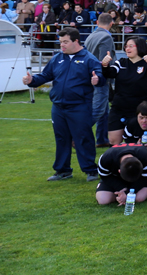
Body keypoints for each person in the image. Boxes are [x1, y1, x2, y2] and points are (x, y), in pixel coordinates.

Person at [25, 26, 103, 182]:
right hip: (58, 107)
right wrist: (32, 80)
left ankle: (91, 170)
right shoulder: (57, 58)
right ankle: (62, 171)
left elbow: (100, 76)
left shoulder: (89, 59)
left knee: (83, 138)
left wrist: (97, 79)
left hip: (80, 106)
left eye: (65, 42)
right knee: (61, 138)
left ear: (76, 41)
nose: (62, 45)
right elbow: (46, 75)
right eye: (60, 42)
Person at [83, 12, 114, 147]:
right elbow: (104, 60)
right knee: (98, 109)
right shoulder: (106, 37)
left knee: (104, 110)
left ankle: (102, 139)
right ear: (111, 24)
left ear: (97, 22)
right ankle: (77, 133)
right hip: (100, 77)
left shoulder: (91, 36)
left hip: (90, 75)